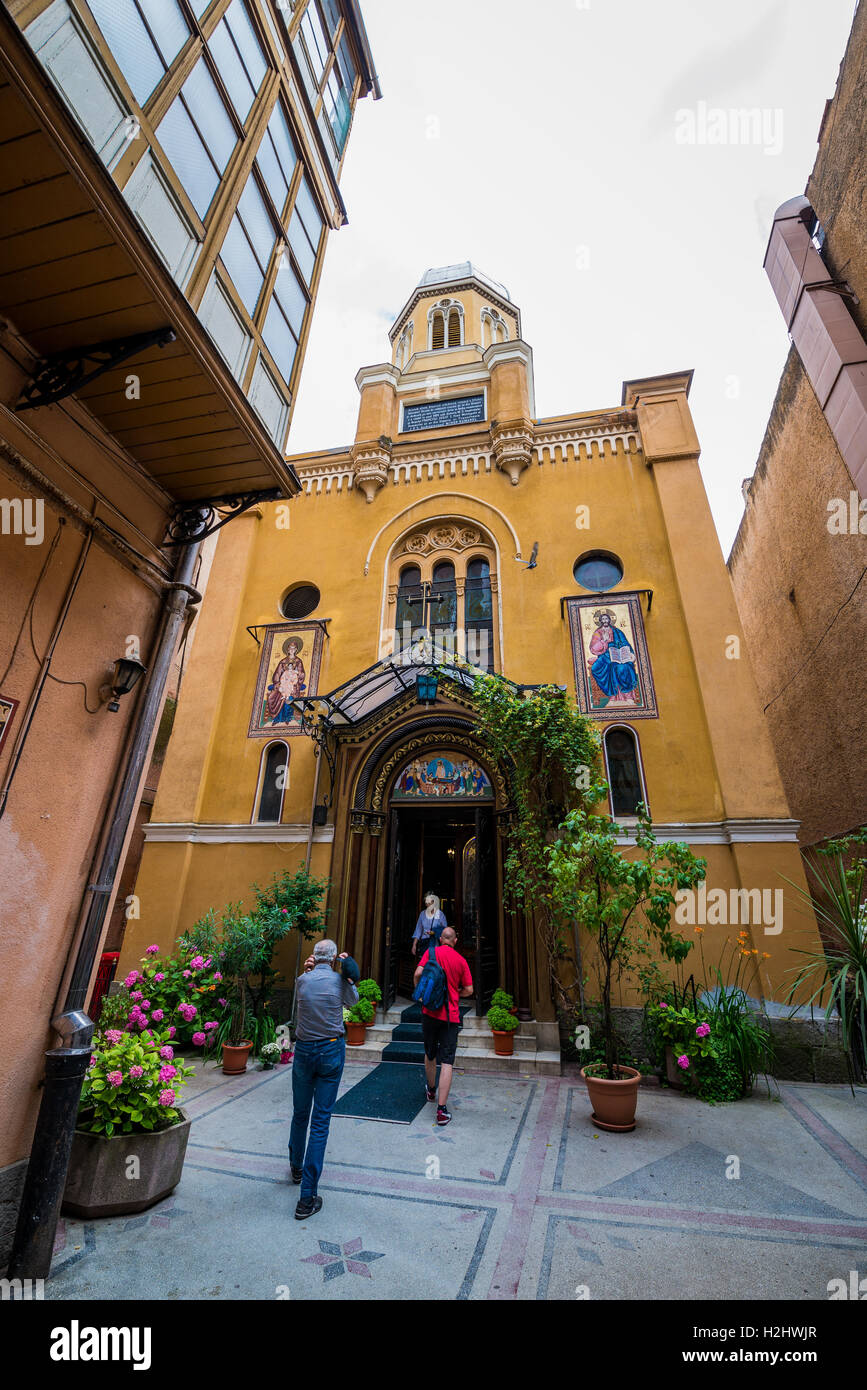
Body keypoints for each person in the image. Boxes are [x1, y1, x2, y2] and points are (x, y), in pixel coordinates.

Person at [289, 939, 359, 1219]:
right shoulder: (338, 982)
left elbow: (301, 999)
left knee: (300, 1114)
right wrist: (347, 972)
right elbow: (353, 1003)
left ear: (313, 957)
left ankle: (296, 1166)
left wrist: (307, 972)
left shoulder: (302, 981)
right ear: (332, 959)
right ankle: (307, 1198)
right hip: (330, 1049)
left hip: (304, 1051)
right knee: (320, 1122)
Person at [413, 925, 473, 1126]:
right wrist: (455, 993)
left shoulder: (430, 954)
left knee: (430, 1053)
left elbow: (417, 974)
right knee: (447, 1060)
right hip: (450, 1016)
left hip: (429, 1012)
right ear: (455, 941)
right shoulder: (461, 961)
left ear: (440, 939)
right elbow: (469, 990)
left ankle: (431, 1090)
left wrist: (421, 995)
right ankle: (441, 1110)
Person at [411, 892, 447, 957]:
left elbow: (445, 931)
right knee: (424, 965)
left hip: (435, 945)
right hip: (424, 944)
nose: (428, 904)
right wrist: (414, 945)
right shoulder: (422, 914)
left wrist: (435, 932)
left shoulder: (440, 914)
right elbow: (418, 930)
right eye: (426, 902)